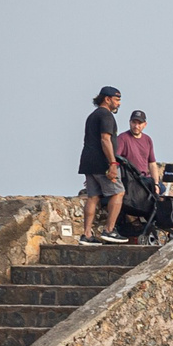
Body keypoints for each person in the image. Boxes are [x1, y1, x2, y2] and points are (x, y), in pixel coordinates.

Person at [77, 85, 126, 242]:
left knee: (93, 197)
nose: (119, 103)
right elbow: (105, 139)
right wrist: (112, 163)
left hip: (88, 162)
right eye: (117, 100)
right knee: (118, 192)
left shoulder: (92, 116)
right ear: (107, 99)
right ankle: (109, 230)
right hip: (102, 163)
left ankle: (87, 234)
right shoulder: (106, 116)